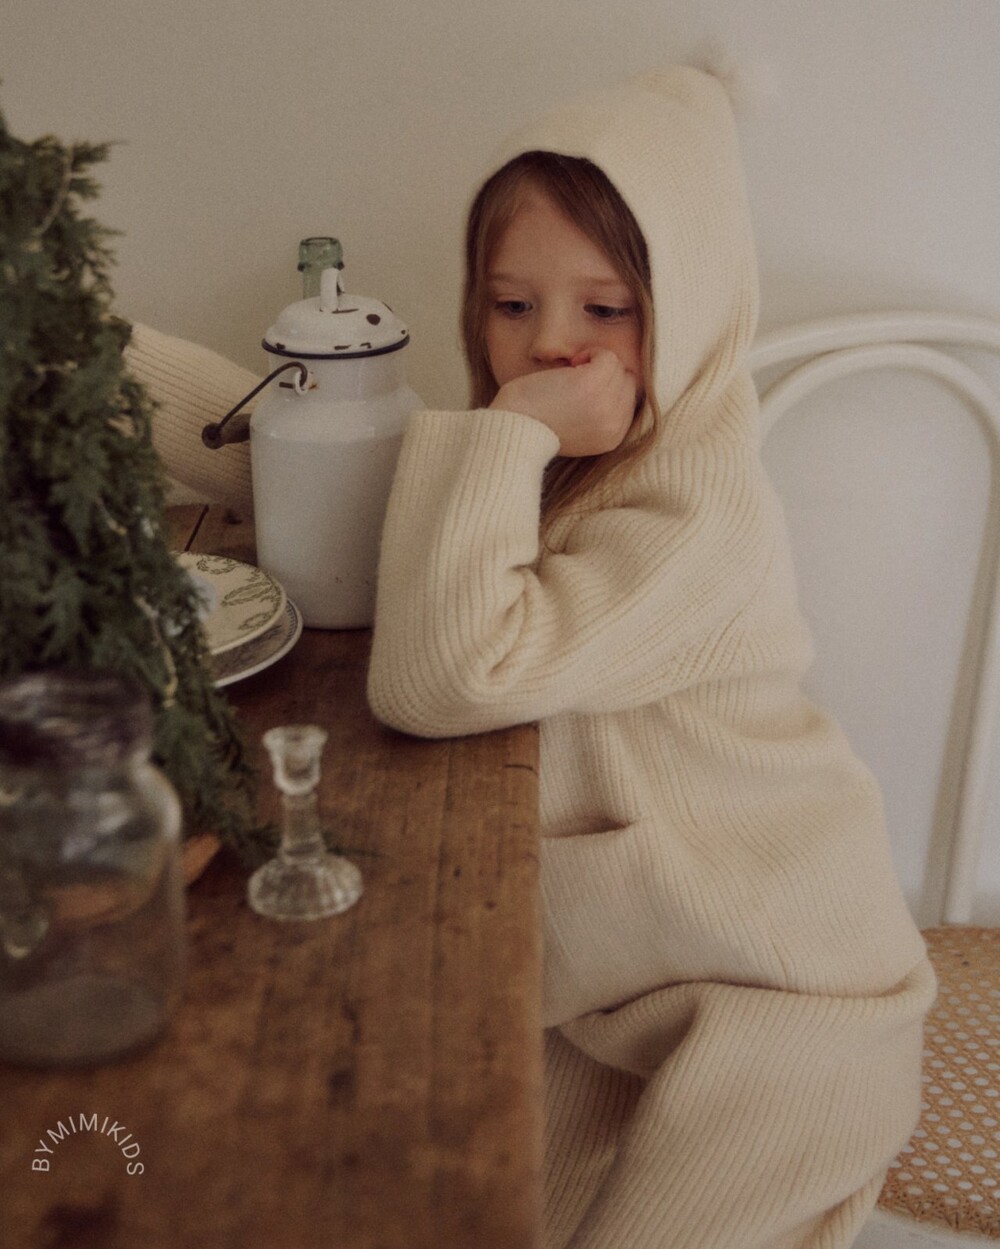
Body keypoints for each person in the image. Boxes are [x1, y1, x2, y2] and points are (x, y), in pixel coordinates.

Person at [126, 65, 935, 1248]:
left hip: (791, 1002)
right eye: (511, 304)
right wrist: (83, 341)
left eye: (604, 311)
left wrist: (508, 429)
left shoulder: (696, 518)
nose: (550, 342)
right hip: (617, 981)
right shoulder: (542, 461)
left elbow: (444, 678)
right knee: (428, 1193)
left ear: (690, 309)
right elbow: (300, 464)